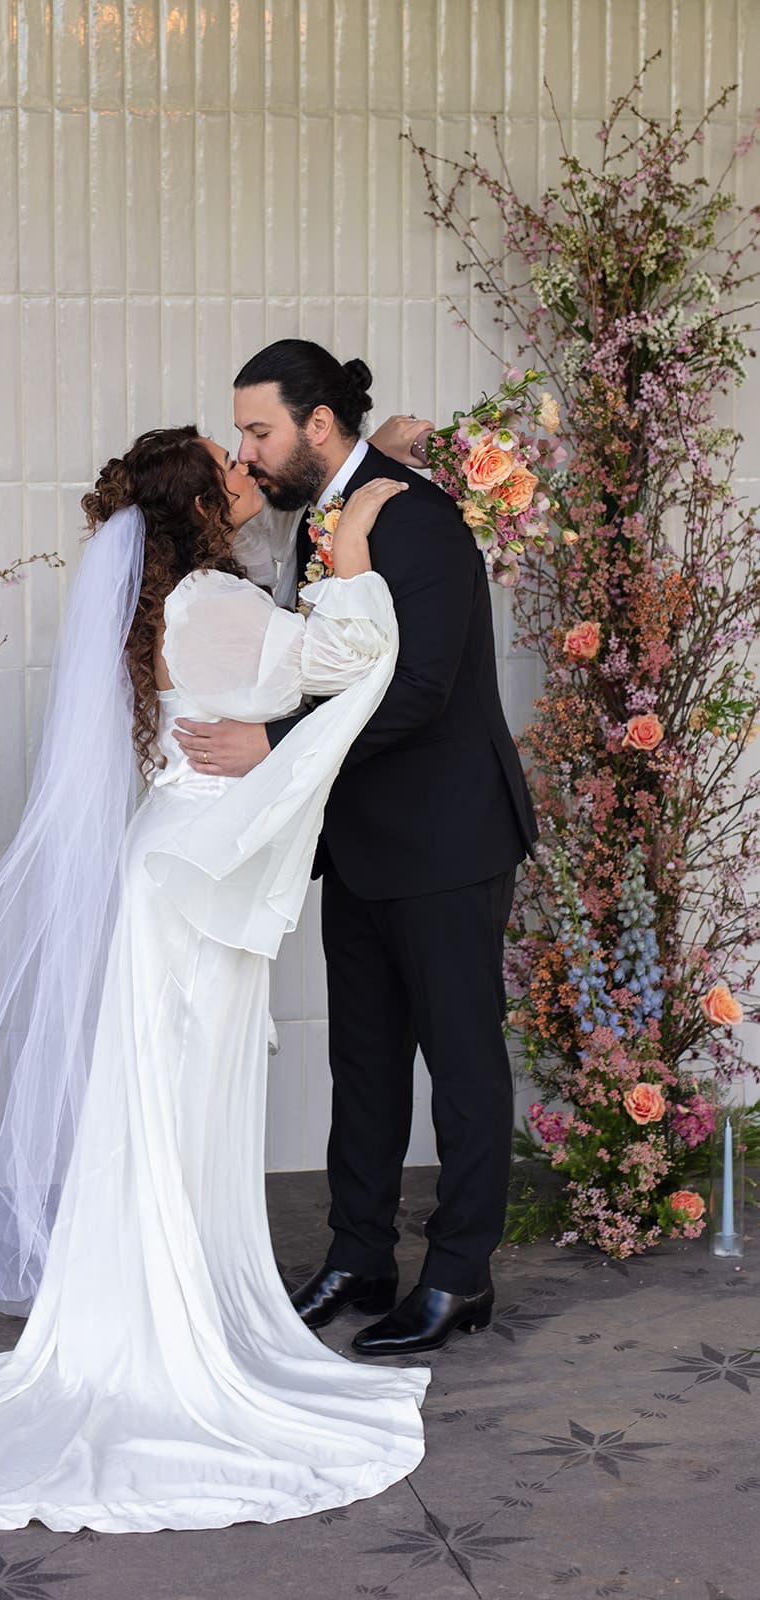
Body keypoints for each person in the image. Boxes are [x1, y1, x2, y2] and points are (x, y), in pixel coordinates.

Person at [0, 424, 429, 1534]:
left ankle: (160, 1299)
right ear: (201, 503)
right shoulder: (209, 602)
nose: (249, 471)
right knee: (173, 1103)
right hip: (193, 885)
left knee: (168, 1102)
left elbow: (269, 692)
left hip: (183, 872)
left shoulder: (187, 601)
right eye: (231, 464)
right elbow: (350, 661)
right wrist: (353, 555)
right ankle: (158, 1330)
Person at [173, 342, 539, 1355]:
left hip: (448, 835)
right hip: (364, 840)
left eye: (258, 431)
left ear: (316, 425)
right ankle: (358, 1255)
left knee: (459, 1062)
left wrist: (270, 747)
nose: (244, 454)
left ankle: (459, 1274)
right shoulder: (328, 510)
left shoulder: (411, 518)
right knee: (364, 1060)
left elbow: (416, 690)